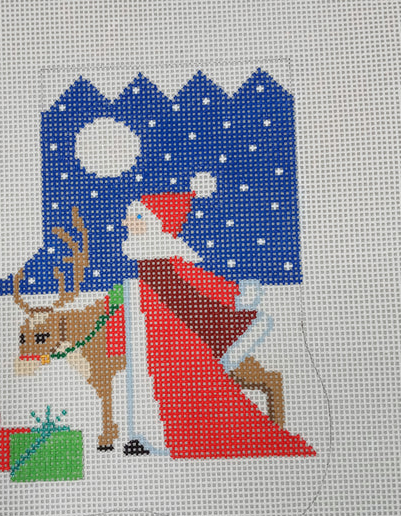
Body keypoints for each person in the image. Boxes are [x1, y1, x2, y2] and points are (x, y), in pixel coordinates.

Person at [119, 172, 315, 459]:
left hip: (202, 333)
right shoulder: (145, 263)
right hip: (169, 338)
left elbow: (204, 283)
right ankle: (160, 436)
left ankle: (257, 428)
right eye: (130, 218)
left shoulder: (167, 260)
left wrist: (237, 294)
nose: (127, 223)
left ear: (155, 223)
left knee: (230, 381)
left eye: (136, 218)